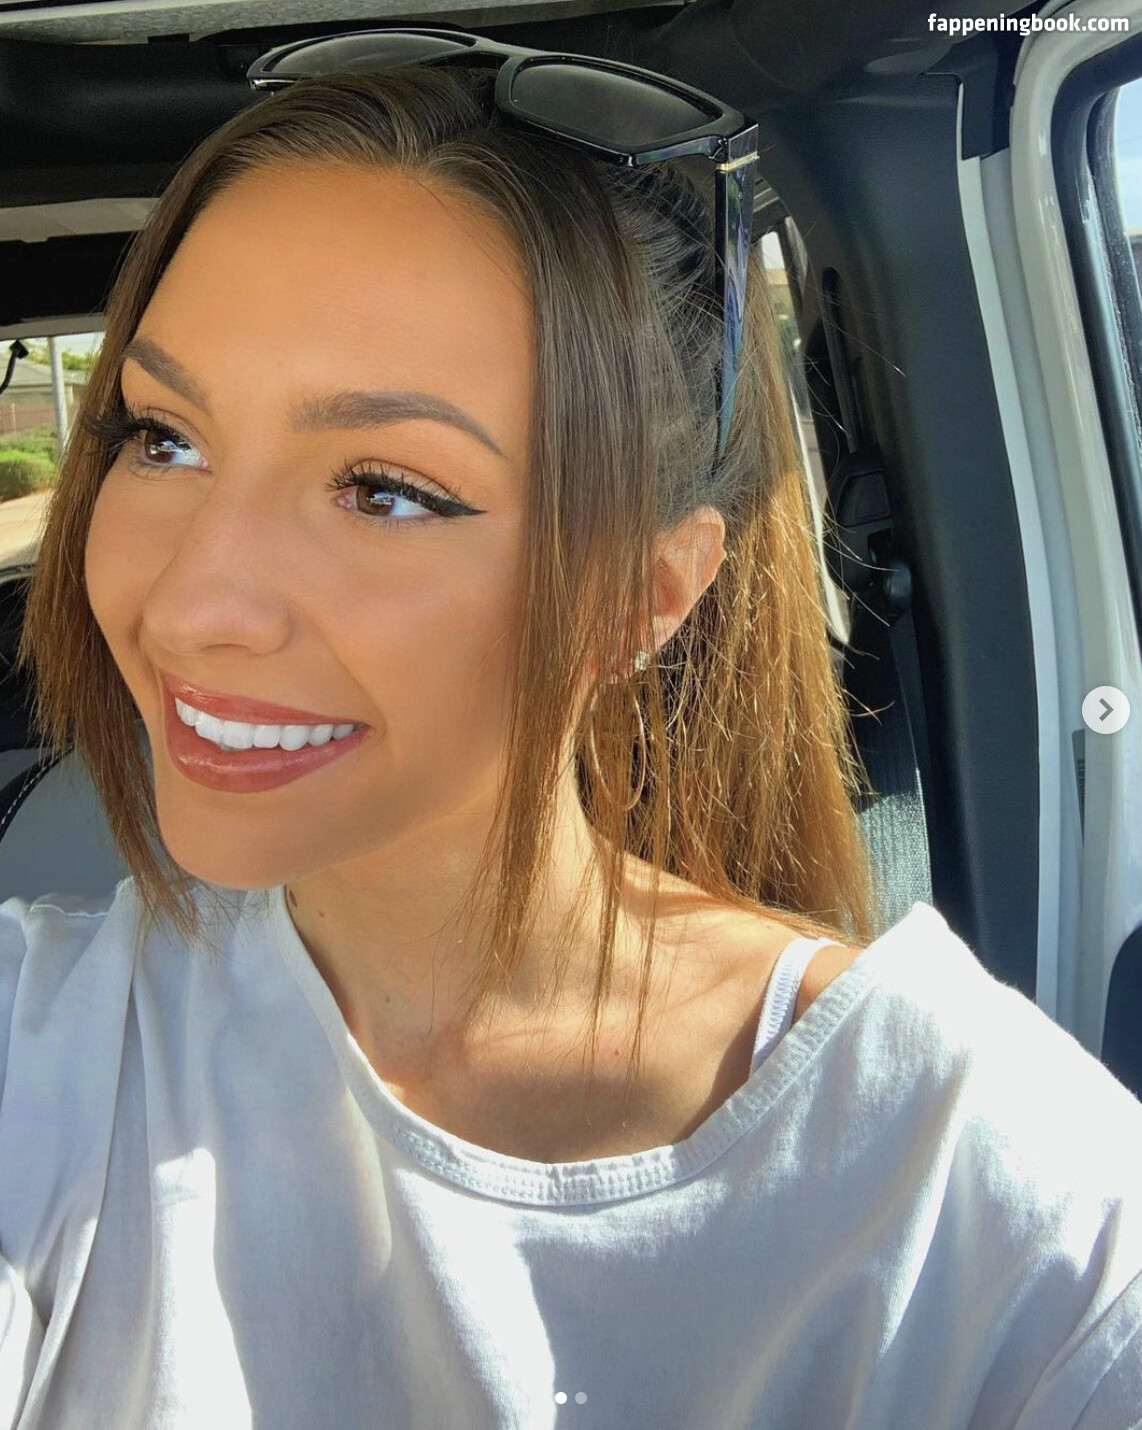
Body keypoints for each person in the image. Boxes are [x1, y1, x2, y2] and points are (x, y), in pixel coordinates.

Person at [1, 47, 1140, 1430]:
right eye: (163, 438)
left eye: (386, 490)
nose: (189, 605)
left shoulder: (999, 1199)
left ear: (640, 597)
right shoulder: (45, 1037)